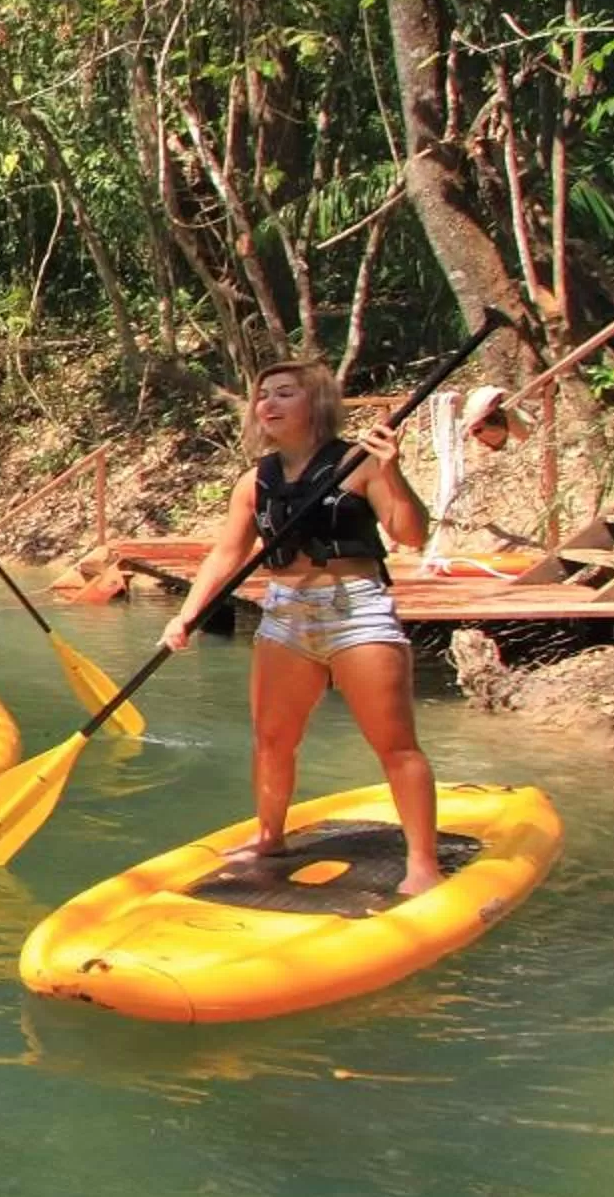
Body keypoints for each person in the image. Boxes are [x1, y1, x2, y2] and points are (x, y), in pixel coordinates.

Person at [159, 362, 444, 895]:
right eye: (262, 394)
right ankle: (270, 836)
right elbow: (227, 553)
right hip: (284, 613)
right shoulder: (255, 481)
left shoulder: (361, 463)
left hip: (355, 610)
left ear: (315, 403)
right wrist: (187, 615)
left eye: (284, 393)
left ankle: (423, 862)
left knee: (395, 744)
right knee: (272, 739)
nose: (268, 403)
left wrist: (394, 471)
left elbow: (409, 534)